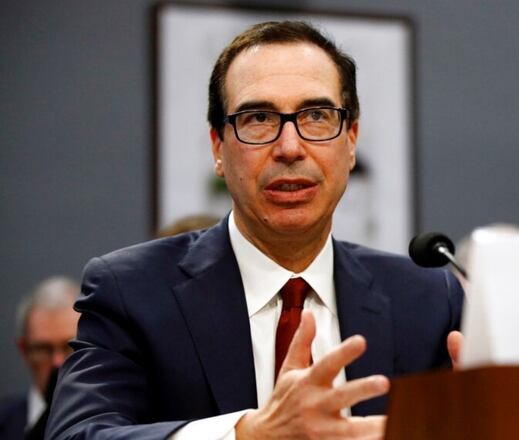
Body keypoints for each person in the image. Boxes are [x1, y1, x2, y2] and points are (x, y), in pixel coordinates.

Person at [46, 21, 464, 440]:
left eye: (317, 116)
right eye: (259, 118)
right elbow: (77, 434)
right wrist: (249, 433)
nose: (289, 147)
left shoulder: (426, 301)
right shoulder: (132, 291)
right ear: (218, 148)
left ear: (351, 140)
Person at [0, 277, 79, 440]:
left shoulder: (122, 423)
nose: (57, 362)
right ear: (24, 350)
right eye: (43, 349)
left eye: (69, 347)